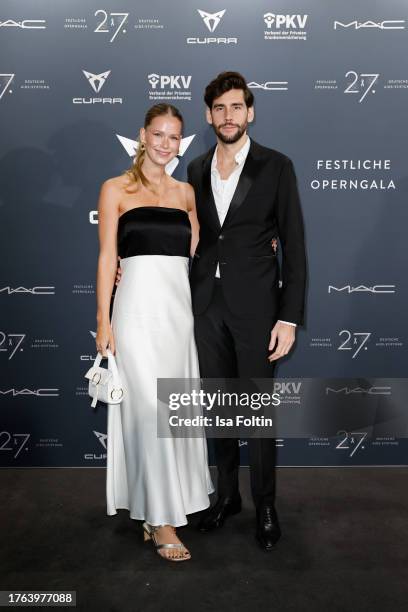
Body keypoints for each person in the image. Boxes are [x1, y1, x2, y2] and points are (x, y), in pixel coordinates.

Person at [187, 71, 307, 550]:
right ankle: (227, 496)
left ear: (250, 111)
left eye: (236, 107)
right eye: (219, 108)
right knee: (219, 407)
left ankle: (266, 504)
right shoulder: (194, 168)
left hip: (258, 308)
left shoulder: (276, 166)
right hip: (206, 306)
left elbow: (294, 247)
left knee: (256, 413)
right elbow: (187, 236)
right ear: (208, 115)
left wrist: (289, 316)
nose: (228, 116)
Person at [95, 102, 214, 562]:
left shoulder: (186, 193)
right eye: (158, 135)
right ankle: (162, 521)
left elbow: (200, 253)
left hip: (177, 316)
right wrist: (103, 320)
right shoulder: (115, 189)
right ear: (142, 136)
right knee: (146, 410)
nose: (165, 145)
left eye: (174, 137)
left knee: (171, 409)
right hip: (135, 315)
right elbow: (108, 257)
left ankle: (159, 508)